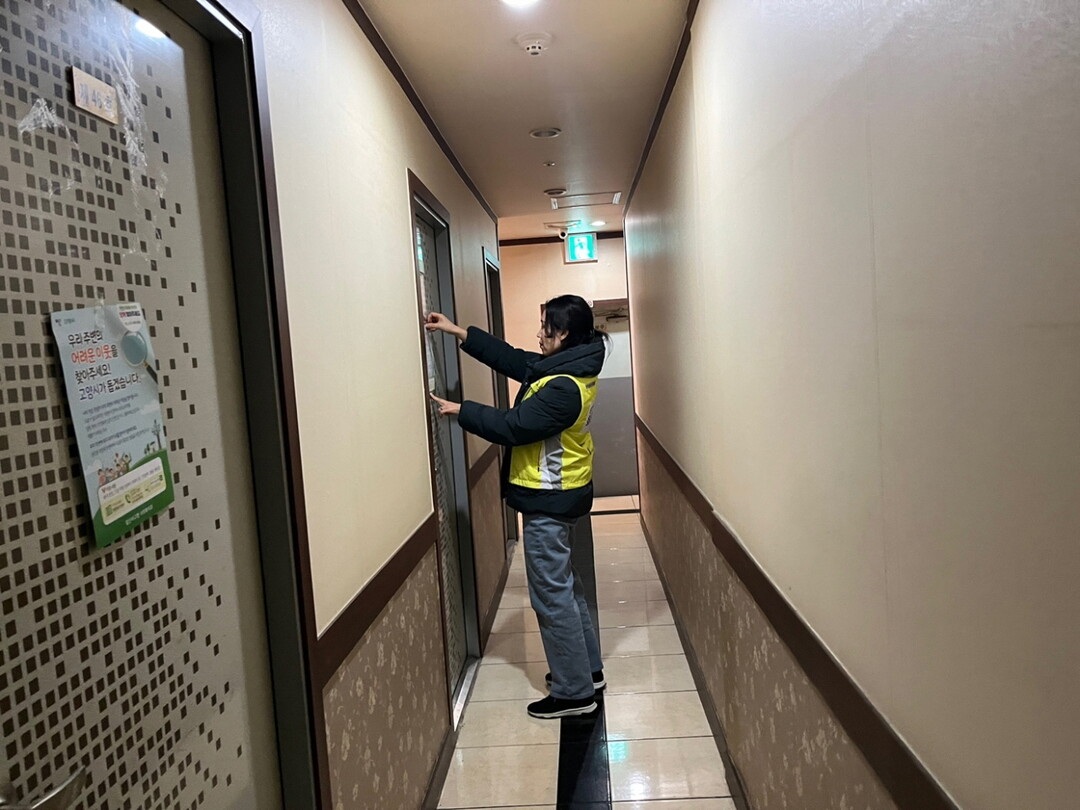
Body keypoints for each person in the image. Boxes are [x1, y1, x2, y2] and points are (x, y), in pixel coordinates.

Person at [425, 294, 606, 719]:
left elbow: (513, 427)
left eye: (546, 327)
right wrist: (458, 332)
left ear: (564, 334)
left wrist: (461, 410)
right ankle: (588, 671)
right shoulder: (569, 366)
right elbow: (515, 360)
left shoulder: (563, 387)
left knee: (552, 597)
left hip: (549, 500)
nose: (539, 334)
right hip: (562, 494)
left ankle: (574, 693)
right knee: (566, 589)